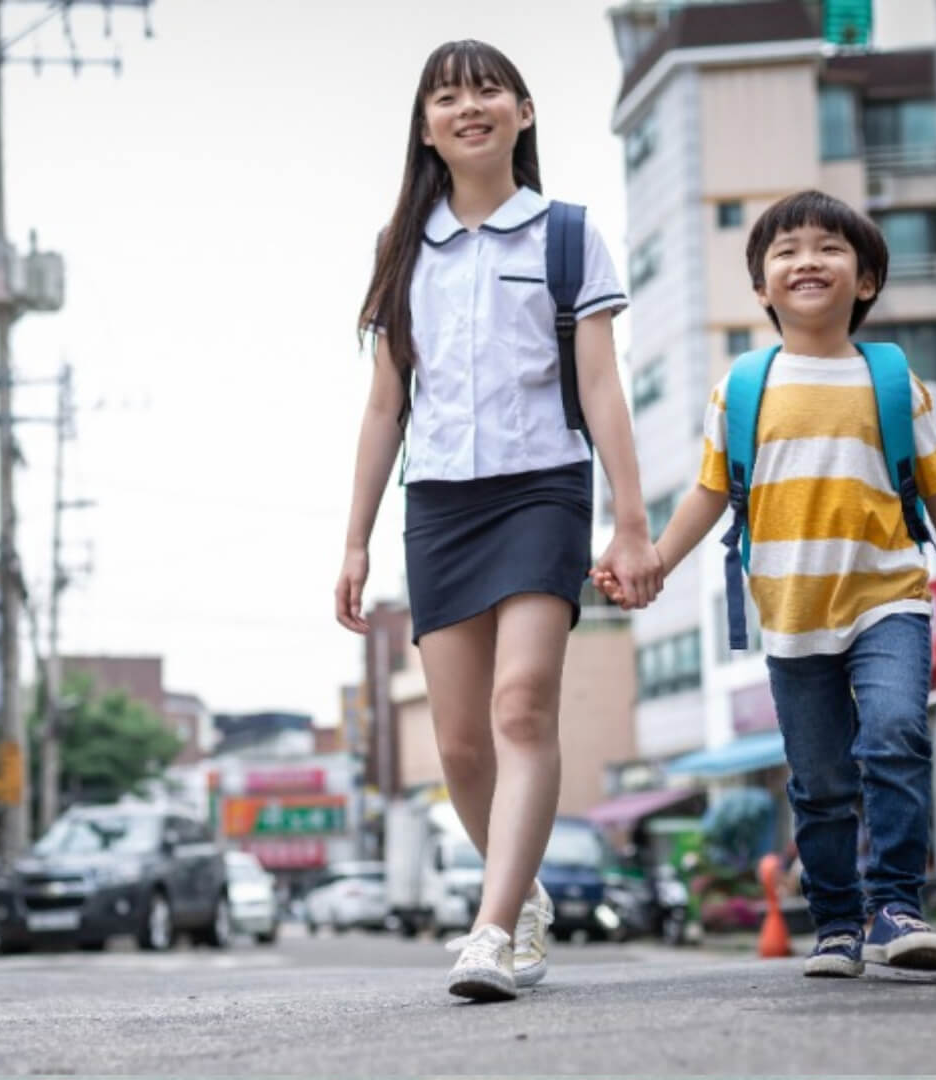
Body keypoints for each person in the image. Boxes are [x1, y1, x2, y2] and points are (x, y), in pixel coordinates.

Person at [335, 39, 662, 1002]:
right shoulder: (402, 253)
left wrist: (631, 523)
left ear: (523, 113)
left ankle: (487, 928)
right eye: (445, 96)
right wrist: (354, 541)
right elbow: (385, 408)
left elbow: (601, 385)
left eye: (486, 90)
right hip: (438, 503)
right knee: (461, 746)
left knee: (522, 707)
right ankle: (517, 899)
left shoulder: (566, 236)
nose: (467, 106)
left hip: (541, 490)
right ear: (426, 130)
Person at [593, 189, 936, 977]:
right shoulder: (741, 388)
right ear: (761, 287)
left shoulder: (891, 378)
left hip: (890, 596)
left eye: (829, 247)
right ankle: (838, 924)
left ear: (867, 280)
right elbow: (709, 494)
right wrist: (654, 567)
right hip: (791, 613)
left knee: (895, 737)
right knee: (818, 780)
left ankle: (896, 907)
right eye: (786, 251)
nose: (807, 260)